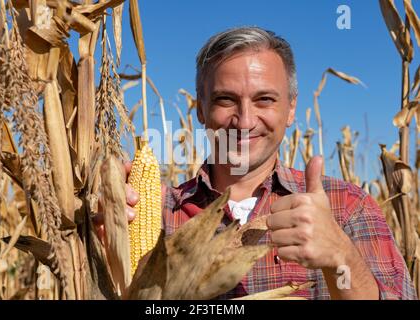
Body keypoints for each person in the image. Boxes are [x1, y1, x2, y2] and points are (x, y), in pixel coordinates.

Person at [95, 27, 417, 300]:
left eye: (265, 99)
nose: (245, 120)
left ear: (291, 109)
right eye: (225, 100)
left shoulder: (347, 207)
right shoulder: (156, 214)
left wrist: (341, 257)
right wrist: (103, 248)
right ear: (201, 110)